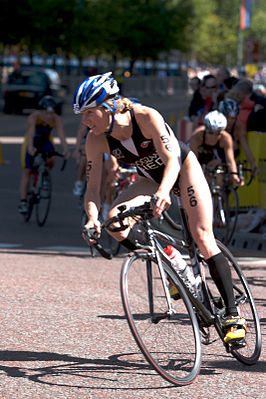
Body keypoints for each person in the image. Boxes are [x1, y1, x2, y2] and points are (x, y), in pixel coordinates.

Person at [72, 72, 247, 346]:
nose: (84, 121)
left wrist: (165, 191)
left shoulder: (145, 116)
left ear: (109, 107)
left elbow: (172, 160)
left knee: (202, 236)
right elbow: (92, 189)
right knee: (114, 223)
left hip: (183, 170)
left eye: (89, 113)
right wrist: (92, 218)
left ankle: (233, 316)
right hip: (148, 179)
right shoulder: (95, 139)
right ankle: (172, 263)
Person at [19, 95, 69, 214]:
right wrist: (31, 148)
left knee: (51, 157)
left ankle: (44, 177)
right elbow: (31, 133)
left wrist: (65, 149)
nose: (48, 116)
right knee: (27, 170)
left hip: (46, 141)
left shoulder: (56, 119)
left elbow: (61, 135)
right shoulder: (34, 117)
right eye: (45, 113)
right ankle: (23, 201)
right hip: (32, 141)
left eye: (50, 113)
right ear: (41, 111)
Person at [189, 110, 242, 186]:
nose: (213, 137)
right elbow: (193, 161)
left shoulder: (226, 138)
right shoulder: (197, 136)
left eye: (218, 133)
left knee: (219, 179)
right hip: (199, 156)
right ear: (205, 130)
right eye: (210, 133)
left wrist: (234, 175)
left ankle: (218, 195)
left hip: (214, 157)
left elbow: (230, 160)